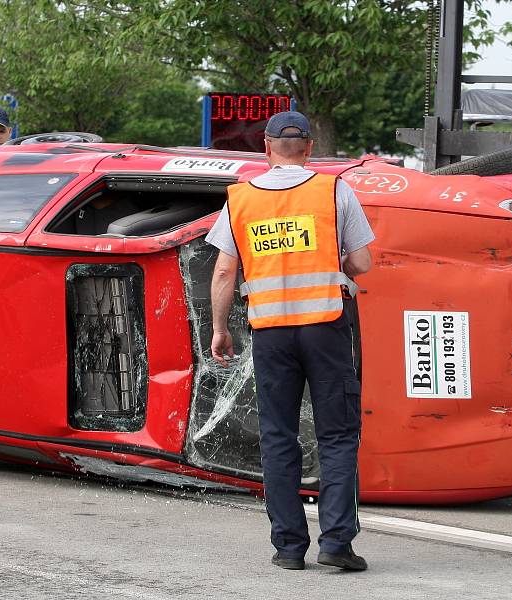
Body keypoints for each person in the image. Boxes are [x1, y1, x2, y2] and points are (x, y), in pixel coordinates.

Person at [207, 111, 374, 572]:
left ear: (266, 145)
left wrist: (220, 329)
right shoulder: (334, 189)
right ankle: (337, 542)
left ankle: (288, 547)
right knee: (337, 435)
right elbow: (361, 263)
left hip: (271, 333)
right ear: (309, 146)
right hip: (326, 327)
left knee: (278, 436)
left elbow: (224, 270)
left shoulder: (239, 200)